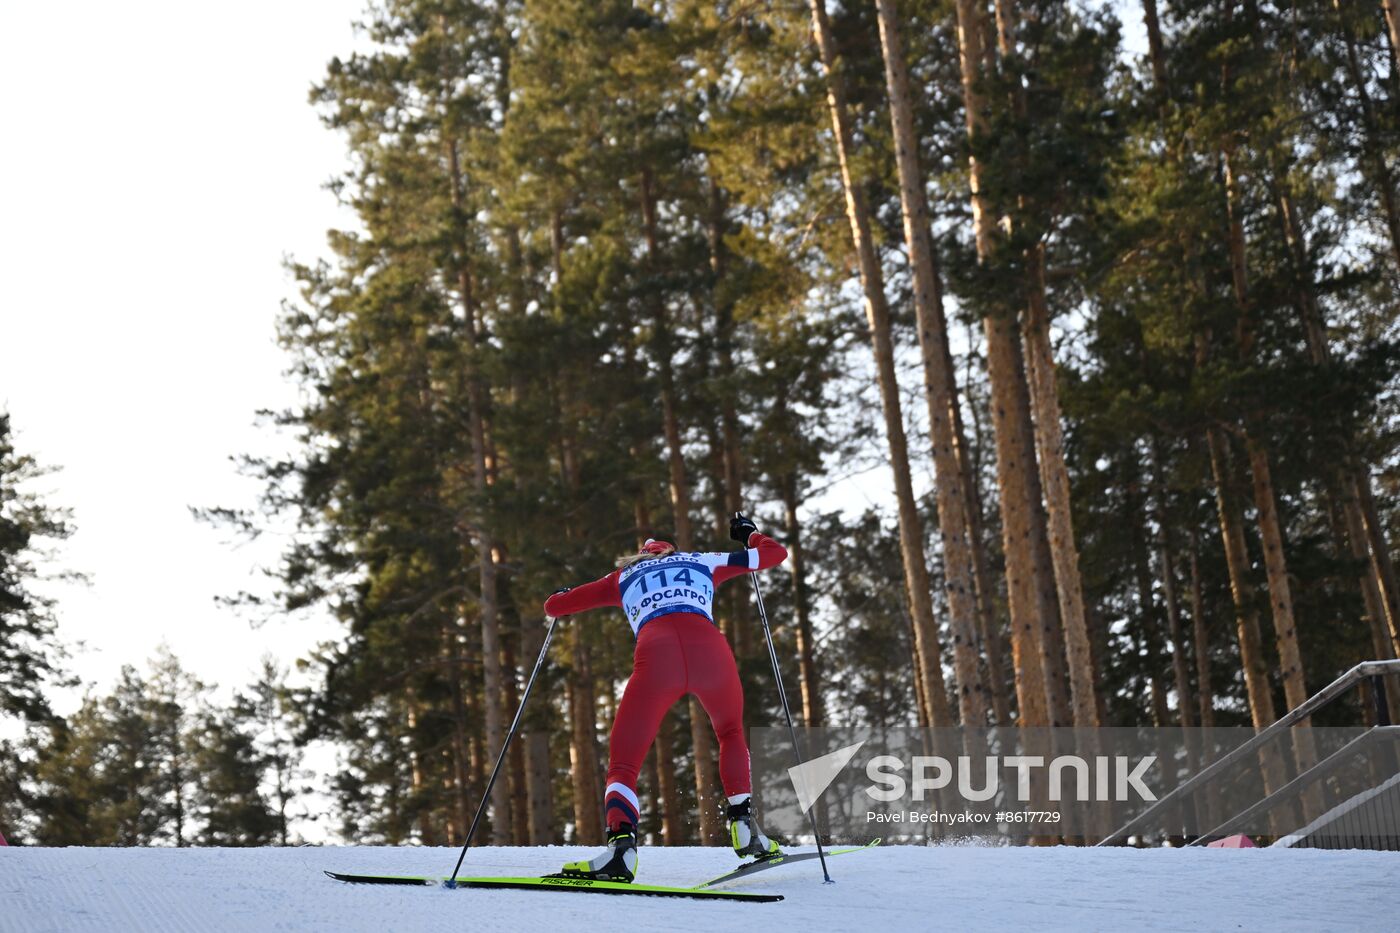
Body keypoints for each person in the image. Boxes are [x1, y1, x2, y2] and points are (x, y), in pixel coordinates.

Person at [542, 513, 788, 883]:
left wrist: (562, 594)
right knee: (730, 733)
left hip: (658, 656)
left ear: (639, 556)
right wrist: (748, 534)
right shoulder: (701, 561)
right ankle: (744, 826)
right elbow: (774, 555)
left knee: (624, 761)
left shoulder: (622, 577)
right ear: (673, 551)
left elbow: (553, 608)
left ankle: (621, 851)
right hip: (710, 652)